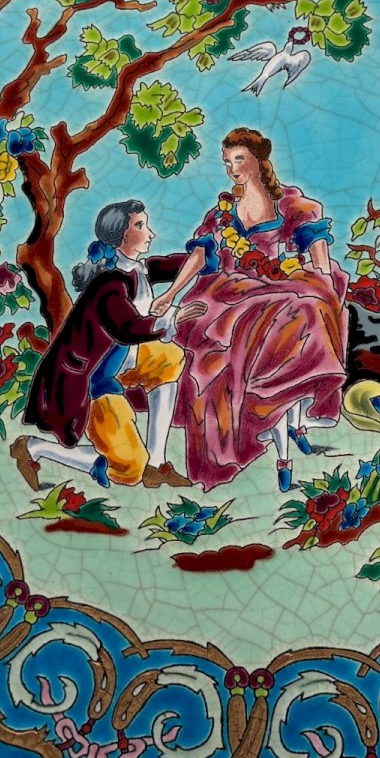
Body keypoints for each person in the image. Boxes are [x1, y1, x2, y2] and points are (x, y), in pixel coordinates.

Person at [148, 128, 349, 493]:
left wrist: (324, 280)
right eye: (227, 162)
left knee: (308, 308)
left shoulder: (287, 202)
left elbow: (317, 249)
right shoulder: (222, 212)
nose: (232, 168)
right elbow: (200, 256)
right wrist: (171, 294)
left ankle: (287, 417)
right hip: (229, 290)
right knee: (219, 342)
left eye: (239, 159)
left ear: (258, 161)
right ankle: (265, 422)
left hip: (277, 286)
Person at [11, 200, 204, 491]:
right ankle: (35, 448)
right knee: (129, 468)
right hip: (92, 382)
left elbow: (182, 264)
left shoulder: (139, 269)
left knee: (169, 358)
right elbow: (127, 328)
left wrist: (209, 249)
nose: (150, 233)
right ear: (121, 235)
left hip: (122, 361)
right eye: (140, 225)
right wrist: (173, 316)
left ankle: (157, 464)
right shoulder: (109, 284)